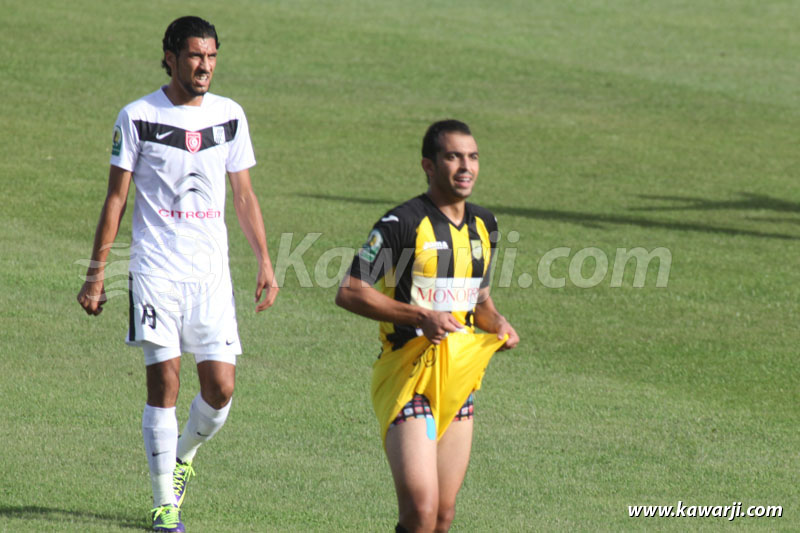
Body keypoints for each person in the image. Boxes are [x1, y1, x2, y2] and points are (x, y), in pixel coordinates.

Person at [77, 16, 278, 532]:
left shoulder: (229, 115)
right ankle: (165, 504)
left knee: (221, 389)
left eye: (211, 56)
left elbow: (245, 195)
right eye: (194, 55)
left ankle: (183, 456)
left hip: (210, 274)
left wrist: (265, 260)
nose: (204, 65)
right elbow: (116, 198)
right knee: (164, 380)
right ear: (169, 56)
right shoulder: (138, 116)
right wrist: (97, 273)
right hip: (155, 270)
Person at [335, 119, 519, 532]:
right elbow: (349, 291)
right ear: (429, 165)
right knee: (420, 510)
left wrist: (499, 323)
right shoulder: (400, 224)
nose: (465, 166)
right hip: (408, 375)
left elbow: (480, 301)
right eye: (453, 156)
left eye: (472, 157)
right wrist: (420, 317)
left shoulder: (484, 226)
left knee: (442, 516)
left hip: (459, 376)